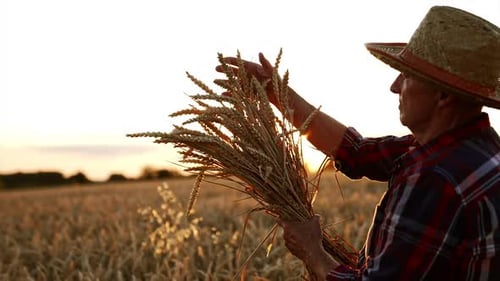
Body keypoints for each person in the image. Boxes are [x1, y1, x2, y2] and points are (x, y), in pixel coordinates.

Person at [215, 5, 500, 280]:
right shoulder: (479, 148)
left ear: (444, 96)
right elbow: (356, 152)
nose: (395, 86)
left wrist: (312, 251)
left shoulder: (437, 179)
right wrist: (277, 93)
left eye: (408, 76)